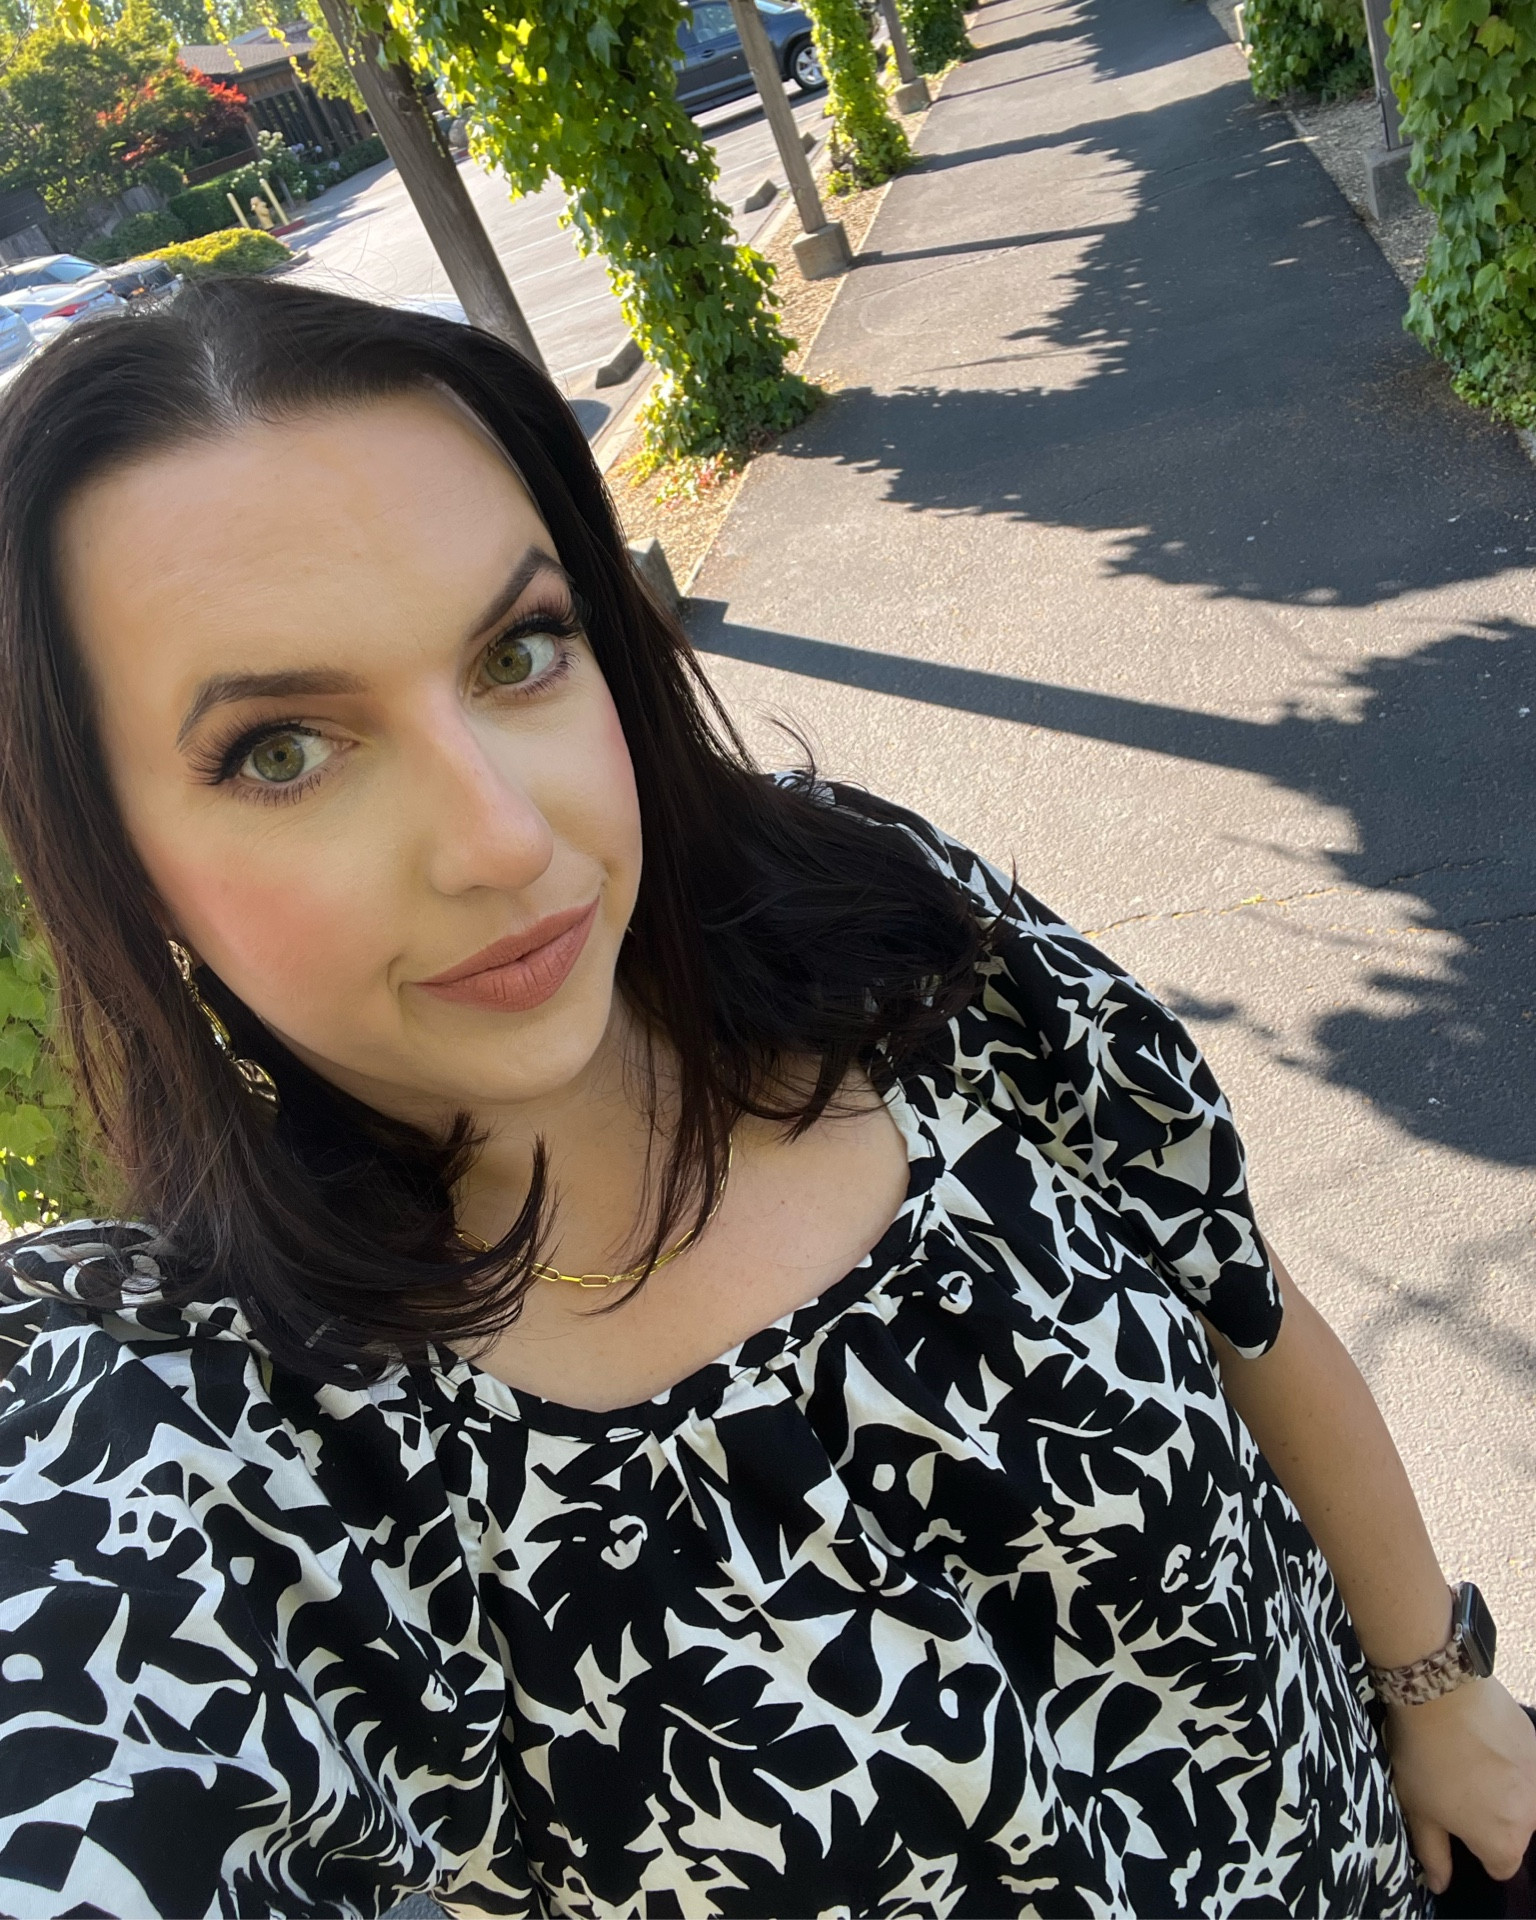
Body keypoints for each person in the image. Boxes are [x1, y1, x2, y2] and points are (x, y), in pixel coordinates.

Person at [0, 280, 1530, 1920]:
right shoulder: (218, 1443)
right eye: (283, 750)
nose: (505, 840)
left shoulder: (870, 930)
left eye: (520, 651)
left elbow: (1235, 1292)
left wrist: (1438, 1691)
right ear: (114, 860)